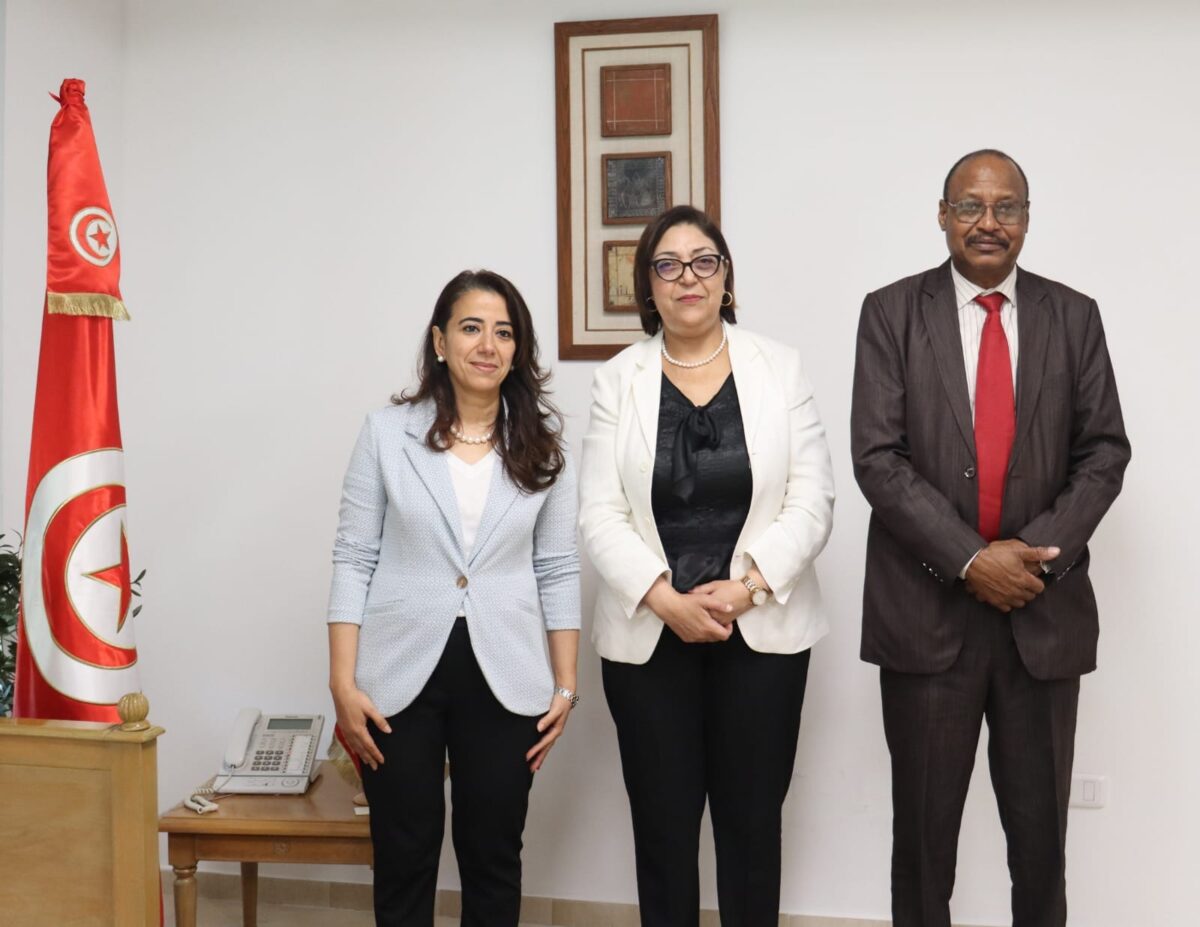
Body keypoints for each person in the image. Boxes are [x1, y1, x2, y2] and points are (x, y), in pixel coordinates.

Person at [851, 150, 1130, 927]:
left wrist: (1031, 558)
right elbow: (878, 457)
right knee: (923, 849)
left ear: (1027, 220)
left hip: (1042, 617)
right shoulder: (891, 313)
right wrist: (972, 559)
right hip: (925, 619)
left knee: (1040, 852)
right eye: (970, 206)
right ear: (942, 216)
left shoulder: (1075, 315)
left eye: (1006, 207)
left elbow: (1104, 452)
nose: (988, 222)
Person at [579, 205, 835, 925]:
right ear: (648, 286)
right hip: (650, 638)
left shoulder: (778, 367)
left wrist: (749, 586)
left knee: (751, 833)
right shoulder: (617, 380)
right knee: (663, 835)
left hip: (761, 634)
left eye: (703, 261)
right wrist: (666, 599)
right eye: (667, 264)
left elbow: (814, 497)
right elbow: (599, 512)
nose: (686, 276)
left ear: (726, 278)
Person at [326, 269, 580, 927]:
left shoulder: (543, 444)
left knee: (493, 857)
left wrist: (565, 685)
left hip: (507, 673)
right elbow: (354, 556)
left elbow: (557, 568)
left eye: (504, 332)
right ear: (440, 341)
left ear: (517, 350)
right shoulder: (386, 434)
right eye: (471, 328)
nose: (487, 345)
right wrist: (342, 682)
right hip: (397, 673)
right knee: (404, 856)